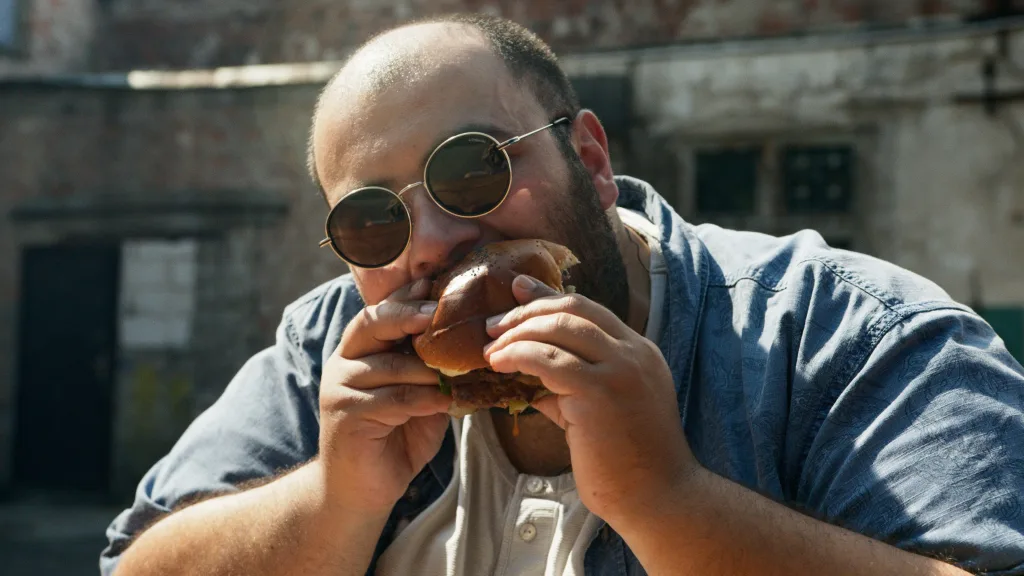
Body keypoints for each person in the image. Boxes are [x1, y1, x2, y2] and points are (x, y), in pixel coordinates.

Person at [103, 13, 1024, 576]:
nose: (432, 242)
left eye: (471, 170)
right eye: (374, 222)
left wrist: (669, 501)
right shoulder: (330, 348)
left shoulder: (850, 338)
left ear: (590, 158)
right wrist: (333, 501)